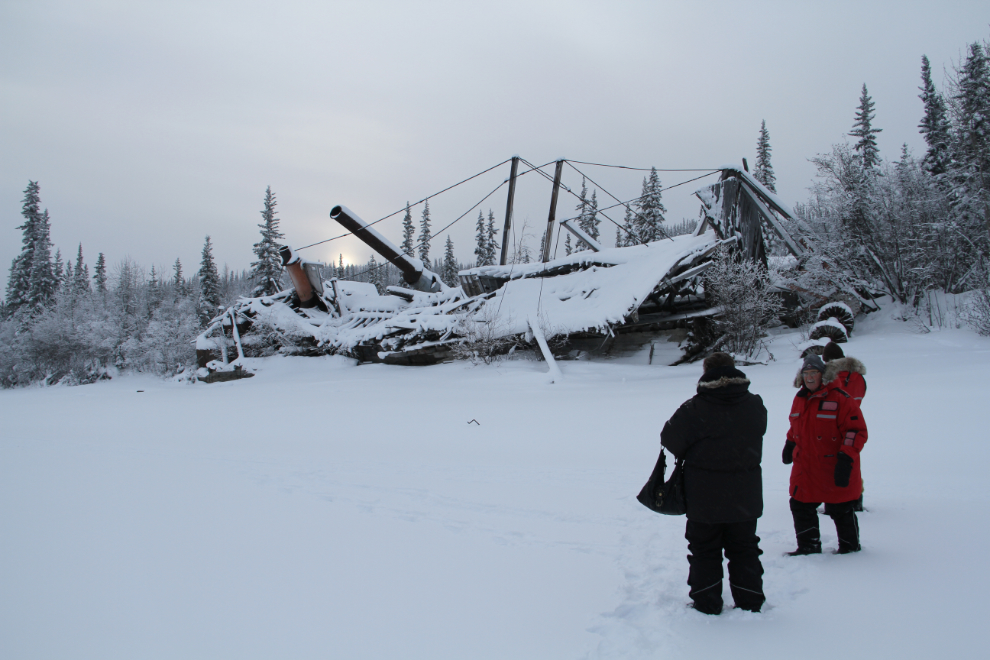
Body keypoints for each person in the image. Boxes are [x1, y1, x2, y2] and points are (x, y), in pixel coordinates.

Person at [660, 352, 767, 615]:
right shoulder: (754, 404)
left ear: (706, 372)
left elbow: (669, 438)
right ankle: (750, 599)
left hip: (703, 493)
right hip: (745, 491)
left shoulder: (694, 408)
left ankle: (706, 602)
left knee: (704, 549)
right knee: (744, 547)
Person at [783, 354, 868, 555]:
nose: (810, 377)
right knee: (800, 505)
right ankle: (808, 547)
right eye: (806, 373)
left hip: (833, 466)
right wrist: (790, 442)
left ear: (824, 375)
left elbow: (856, 431)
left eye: (814, 373)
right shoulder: (799, 399)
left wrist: (846, 458)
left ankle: (850, 549)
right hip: (806, 468)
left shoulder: (841, 399)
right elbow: (796, 425)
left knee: (841, 509)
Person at [821, 342, 868, 511]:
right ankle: (856, 499)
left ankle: (833, 501)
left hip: (831, 428)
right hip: (855, 425)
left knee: (830, 465)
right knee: (851, 461)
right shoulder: (859, 378)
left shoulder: (828, 377)